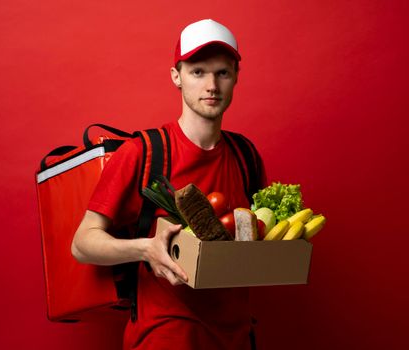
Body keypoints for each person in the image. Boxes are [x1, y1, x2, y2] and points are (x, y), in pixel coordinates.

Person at [71, 19, 266, 350]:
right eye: (198, 71)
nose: (211, 85)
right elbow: (82, 244)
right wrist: (145, 248)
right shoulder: (143, 153)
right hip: (166, 334)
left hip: (235, 334)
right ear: (177, 77)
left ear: (235, 78)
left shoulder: (246, 155)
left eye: (222, 72)